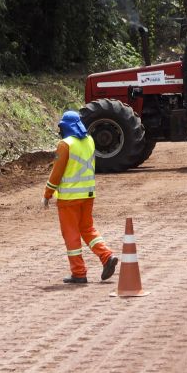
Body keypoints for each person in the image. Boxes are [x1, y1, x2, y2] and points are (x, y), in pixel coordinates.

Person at [42, 111, 118, 284]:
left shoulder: (65, 144)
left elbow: (57, 173)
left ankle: (79, 273)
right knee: (88, 229)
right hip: (88, 195)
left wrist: (47, 194)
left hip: (69, 198)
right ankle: (107, 256)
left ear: (66, 127)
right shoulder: (90, 141)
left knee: (71, 234)